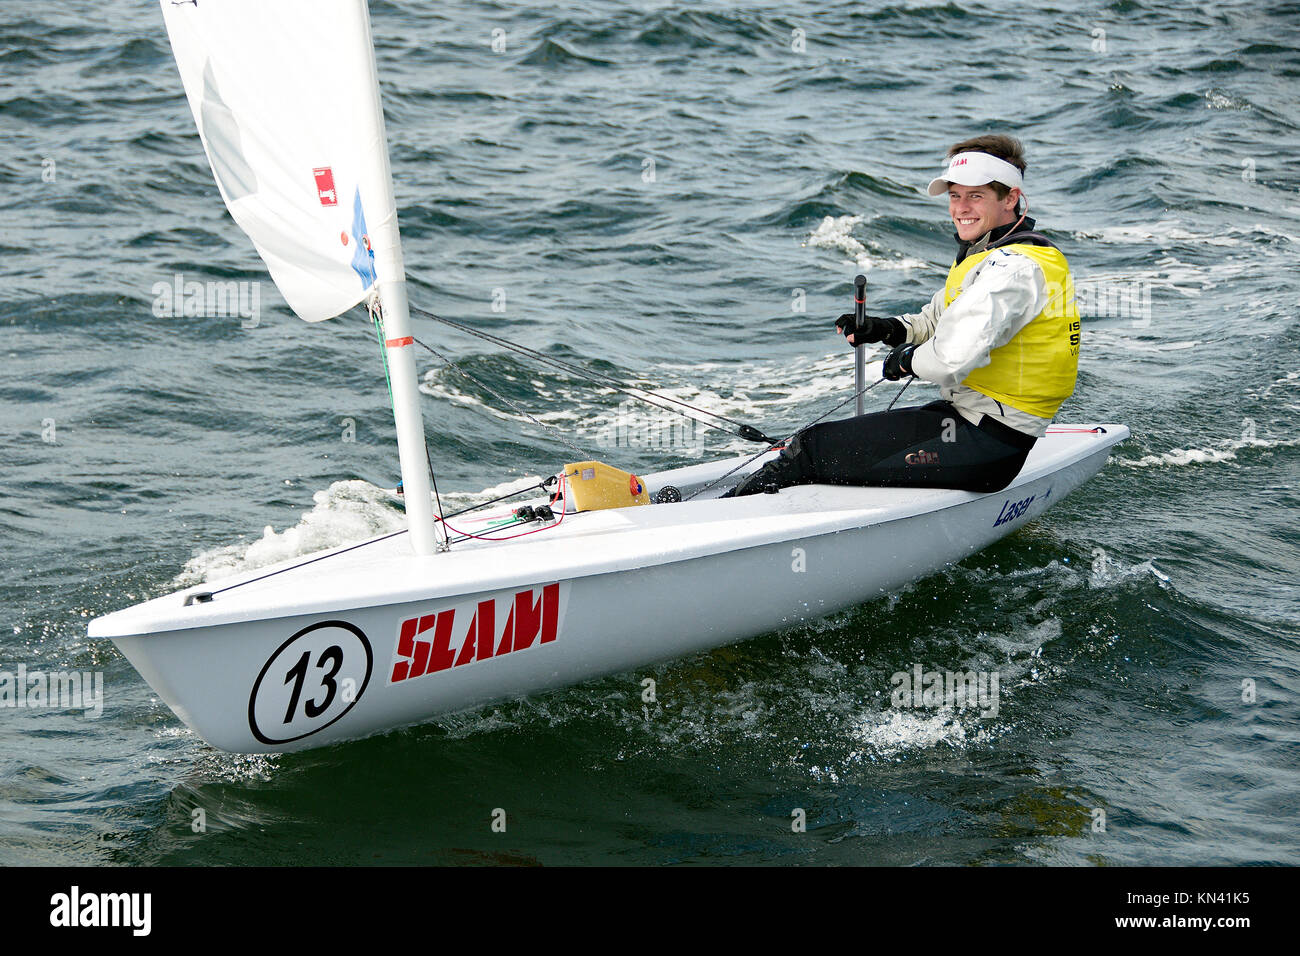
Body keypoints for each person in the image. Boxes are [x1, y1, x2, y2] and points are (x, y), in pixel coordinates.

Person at [727, 134, 1080, 497]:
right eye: (954, 195)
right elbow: (937, 321)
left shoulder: (1011, 268)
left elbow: (950, 359)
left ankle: (721, 525)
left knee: (811, 450)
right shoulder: (995, 253)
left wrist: (907, 361)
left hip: (987, 442)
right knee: (817, 447)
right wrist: (887, 330)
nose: (961, 208)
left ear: (1011, 198)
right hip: (974, 425)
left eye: (976, 196)